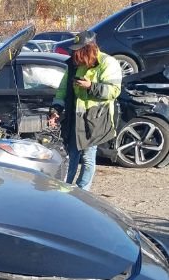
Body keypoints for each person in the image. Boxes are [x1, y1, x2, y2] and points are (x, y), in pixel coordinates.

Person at [49, 31, 122, 191]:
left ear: (90, 48)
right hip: (75, 119)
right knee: (71, 155)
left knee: (88, 157)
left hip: (95, 119)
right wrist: (56, 110)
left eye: (79, 50)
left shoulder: (108, 63)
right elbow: (62, 90)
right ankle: (64, 189)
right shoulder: (73, 65)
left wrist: (91, 87)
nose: (75, 53)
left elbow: (114, 91)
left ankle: (83, 192)